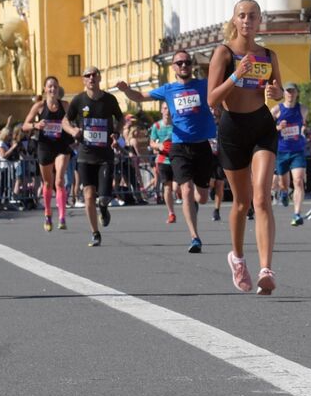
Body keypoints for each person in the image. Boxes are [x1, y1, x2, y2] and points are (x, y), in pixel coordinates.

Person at [207, 0, 284, 293]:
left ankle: (266, 269)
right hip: (232, 129)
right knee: (241, 202)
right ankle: (237, 258)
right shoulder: (223, 53)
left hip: (262, 127)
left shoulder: (268, 54)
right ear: (235, 20)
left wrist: (275, 91)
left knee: (262, 197)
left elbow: (275, 91)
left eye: (253, 16)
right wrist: (237, 75)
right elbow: (212, 99)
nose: (248, 21)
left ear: (259, 20)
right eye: (242, 16)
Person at [116, 49, 216, 255]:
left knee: (203, 197)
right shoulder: (168, 89)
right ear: (173, 68)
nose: (184, 66)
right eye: (179, 63)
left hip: (202, 145)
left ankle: (194, 206)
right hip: (180, 146)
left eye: (187, 62)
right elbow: (141, 96)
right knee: (186, 190)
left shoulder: (203, 85)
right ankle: (194, 237)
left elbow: (225, 88)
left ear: (191, 65)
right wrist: (126, 90)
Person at [61, 66, 124, 246]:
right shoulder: (78, 100)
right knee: (88, 195)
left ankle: (103, 208)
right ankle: (95, 233)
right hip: (85, 155)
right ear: (83, 80)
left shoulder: (109, 100)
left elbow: (121, 119)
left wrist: (116, 134)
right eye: (87, 76)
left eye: (94, 75)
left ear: (99, 78)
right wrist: (73, 130)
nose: (91, 78)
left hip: (105, 156)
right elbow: (65, 121)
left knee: (103, 197)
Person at [24, 75, 73, 231]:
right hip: (45, 147)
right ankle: (47, 213)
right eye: (50, 86)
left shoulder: (65, 105)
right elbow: (24, 125)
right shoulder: (39, 106)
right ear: (45, 89)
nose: (53, 89)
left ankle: (62, 217)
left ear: (58, 89)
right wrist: (36, 125)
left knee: (59, 181)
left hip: (61, 146)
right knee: (47, 183)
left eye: (55, 87)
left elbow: (74, 121)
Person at [273, 83, 309, 226]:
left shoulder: (303, 109)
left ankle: (297, 214)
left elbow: (304, 124)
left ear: (296, 93)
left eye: (293, 91)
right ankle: (283, 192)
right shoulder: (276, 110)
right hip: (282, 151)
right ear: (284, 94)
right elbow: (266, 127)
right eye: (288, 91)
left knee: (299, 181)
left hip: (297, 151)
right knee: (283, 184)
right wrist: (277, 127)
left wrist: (303, 130)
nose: (290, 94)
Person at [149, 105, 177, 222]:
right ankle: (171, 213)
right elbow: (151, 142)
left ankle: (190, 204)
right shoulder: (157, 126)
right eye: (165, 108)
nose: (167, 111)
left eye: (169, 108)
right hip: (163, 160)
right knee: (167, 188)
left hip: (177, 159)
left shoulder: (177, 124)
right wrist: (158, 145)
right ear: (161, 110)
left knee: (177, 187)